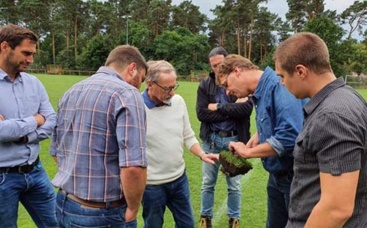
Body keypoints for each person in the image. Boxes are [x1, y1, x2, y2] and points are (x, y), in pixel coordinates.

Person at [273, 32, 367, 228]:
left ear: (300, 71)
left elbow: (336, 208)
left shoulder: (332, 116)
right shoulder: (348, 96)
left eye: (282, 76)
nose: (282, 83)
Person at [50, 45, 149, 227]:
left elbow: (57, 151)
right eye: (141, 79)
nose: (140, 85)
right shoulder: (127, 94)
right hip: (102, 213)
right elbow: (133, 166)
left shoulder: (71, 91)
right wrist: (133, 209)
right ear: (132, 68)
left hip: (64, 204)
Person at [216, 54, 306, 228]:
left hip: (294, 177)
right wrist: (259, 135)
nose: (227, 92)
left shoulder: (278, 85)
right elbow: (278, 119)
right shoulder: (263, 90)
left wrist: (248, 152)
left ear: (237, 71)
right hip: (278, 176)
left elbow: (289, 136)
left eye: (226, 84)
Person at [141, 60, 218, 228]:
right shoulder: (136, 108)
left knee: (187, 224)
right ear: (149, 84)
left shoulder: (178, 101)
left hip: (179, 179)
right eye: (167, 88)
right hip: (151, 186)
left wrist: (202, 154)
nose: (172, 93)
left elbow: (187, 135)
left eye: (174, 86)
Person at [0, 24, 58, 227]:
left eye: (32, 54)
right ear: (5, 47)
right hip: (2, 178)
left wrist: (25, 135)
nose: (30, 60)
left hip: (36, 170)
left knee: (57, 223)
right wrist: (35, 120)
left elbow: (51, 120)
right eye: (26, 53)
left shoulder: (34, 83)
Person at [196, 47, 253, 228]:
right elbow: (202, 114)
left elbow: (246, 109)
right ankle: (205, 219)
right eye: (213, 66)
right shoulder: (205, 84)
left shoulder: (241, 81)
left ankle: (234, 220)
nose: (217, 68)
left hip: (233, 142)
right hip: (211, 141)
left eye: (220, 64)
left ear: (228, 62)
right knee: (207, 183)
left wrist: (218, 106)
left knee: (234, 184)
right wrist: (231, 111)